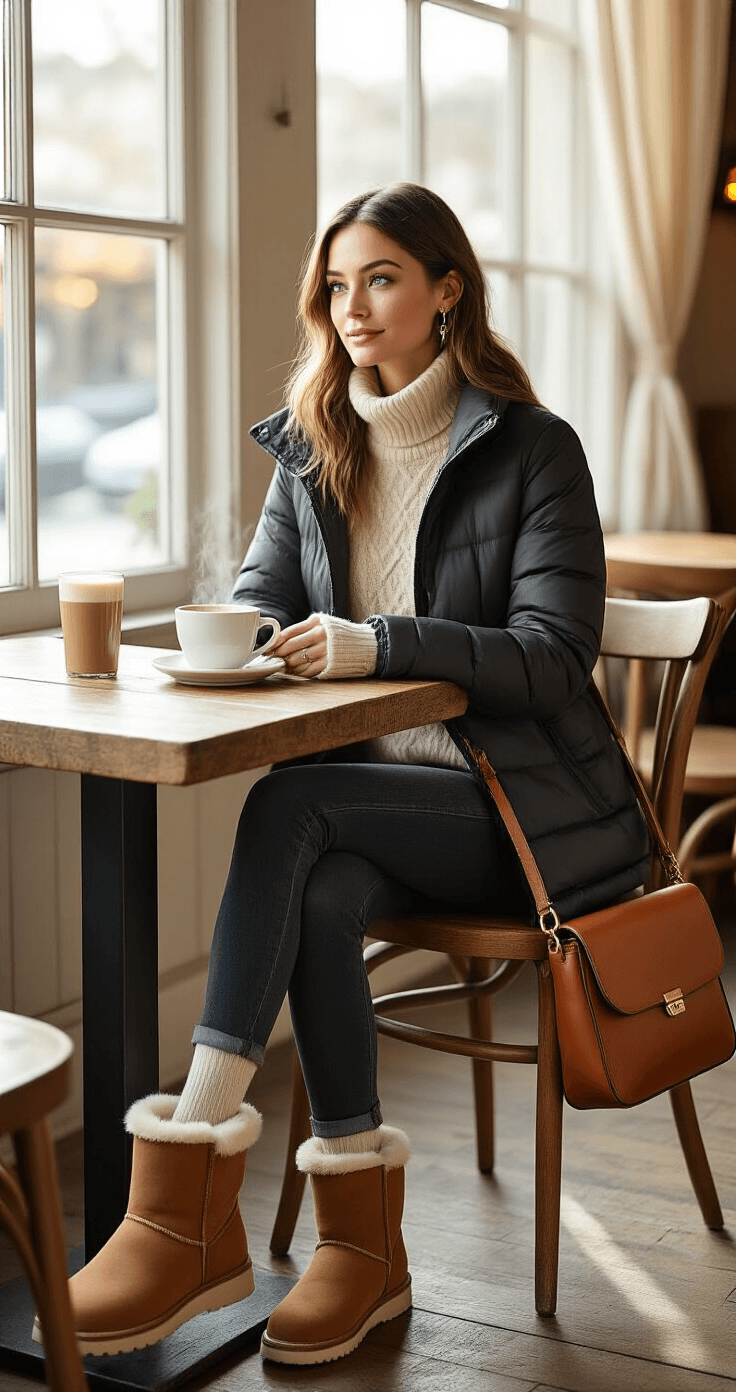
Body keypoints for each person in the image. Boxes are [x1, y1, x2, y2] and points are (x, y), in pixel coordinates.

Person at [56, 183, 648, 1365]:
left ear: (447, 290)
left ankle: (181, 1200)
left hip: (520, 815)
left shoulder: (532, 448)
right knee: (321, 887)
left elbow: (553, 656)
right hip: (372, 814)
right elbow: (265, 596)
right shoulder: (314, 444)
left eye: (381, 278)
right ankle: (363, 1252)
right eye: (337, 284)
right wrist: (245, 633)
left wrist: (382, 642)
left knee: (292, 804)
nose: (353, 307)